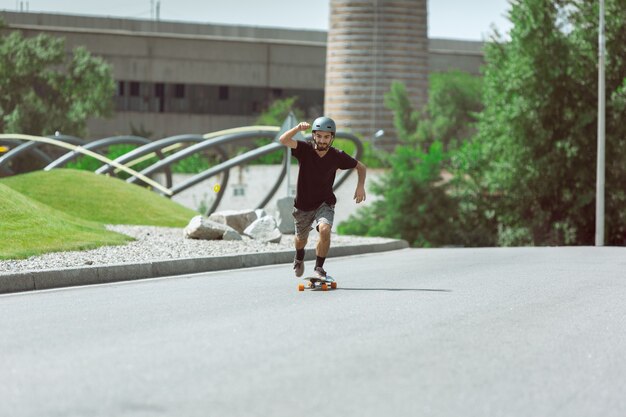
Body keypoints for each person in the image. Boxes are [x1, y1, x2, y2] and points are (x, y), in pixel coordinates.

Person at [279, 116, 367, 279]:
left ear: (332, 138)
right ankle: (299, 257)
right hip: (303, 204)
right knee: (300, 240)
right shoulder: (304, 150)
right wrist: (298, 129)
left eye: (326, 137)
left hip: (324, 203)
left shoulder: (337, 156)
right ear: (313, 136)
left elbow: (361, 167)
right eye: (319, 136)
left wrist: (360, 185)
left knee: (325, 230)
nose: (322, 140)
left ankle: (319, 268)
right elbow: (283, 139)